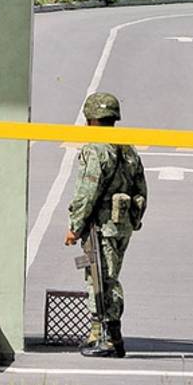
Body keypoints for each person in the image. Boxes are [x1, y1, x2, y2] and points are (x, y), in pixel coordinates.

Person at [64, 92, 148, 358]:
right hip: (121, 225)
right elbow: (141, 187)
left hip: (101, 225)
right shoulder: (127, 147)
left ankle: (111, 339)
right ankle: (97, 334)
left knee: (103, 280)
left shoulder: (95, 149)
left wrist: (74, 226)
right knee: (102, 276)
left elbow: (87, 192)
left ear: (91, 119)